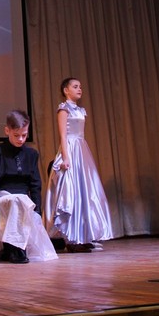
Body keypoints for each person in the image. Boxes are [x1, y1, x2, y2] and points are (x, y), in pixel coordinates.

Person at [43, 78, 116, 252]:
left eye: (80, 87)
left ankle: (82, 236)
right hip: (70, 150)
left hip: (81, 150)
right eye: (75, 87)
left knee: (85, 193)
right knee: (71, 193)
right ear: (66, 90)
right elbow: (63, 135)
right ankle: (71, 240)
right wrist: (66, 157)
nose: (79, 89)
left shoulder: (81, 110)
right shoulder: (63, 109)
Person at [0, 110, 57, 263]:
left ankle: (15, 250)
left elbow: (35, 184)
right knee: (16, 201)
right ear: (7, 131)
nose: (21, 139)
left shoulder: (31, 154)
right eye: (16, 135)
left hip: (24, 199)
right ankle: (14, 250)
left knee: (21, 201)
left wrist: (37, 209)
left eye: (24, 135)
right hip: (4, 197)